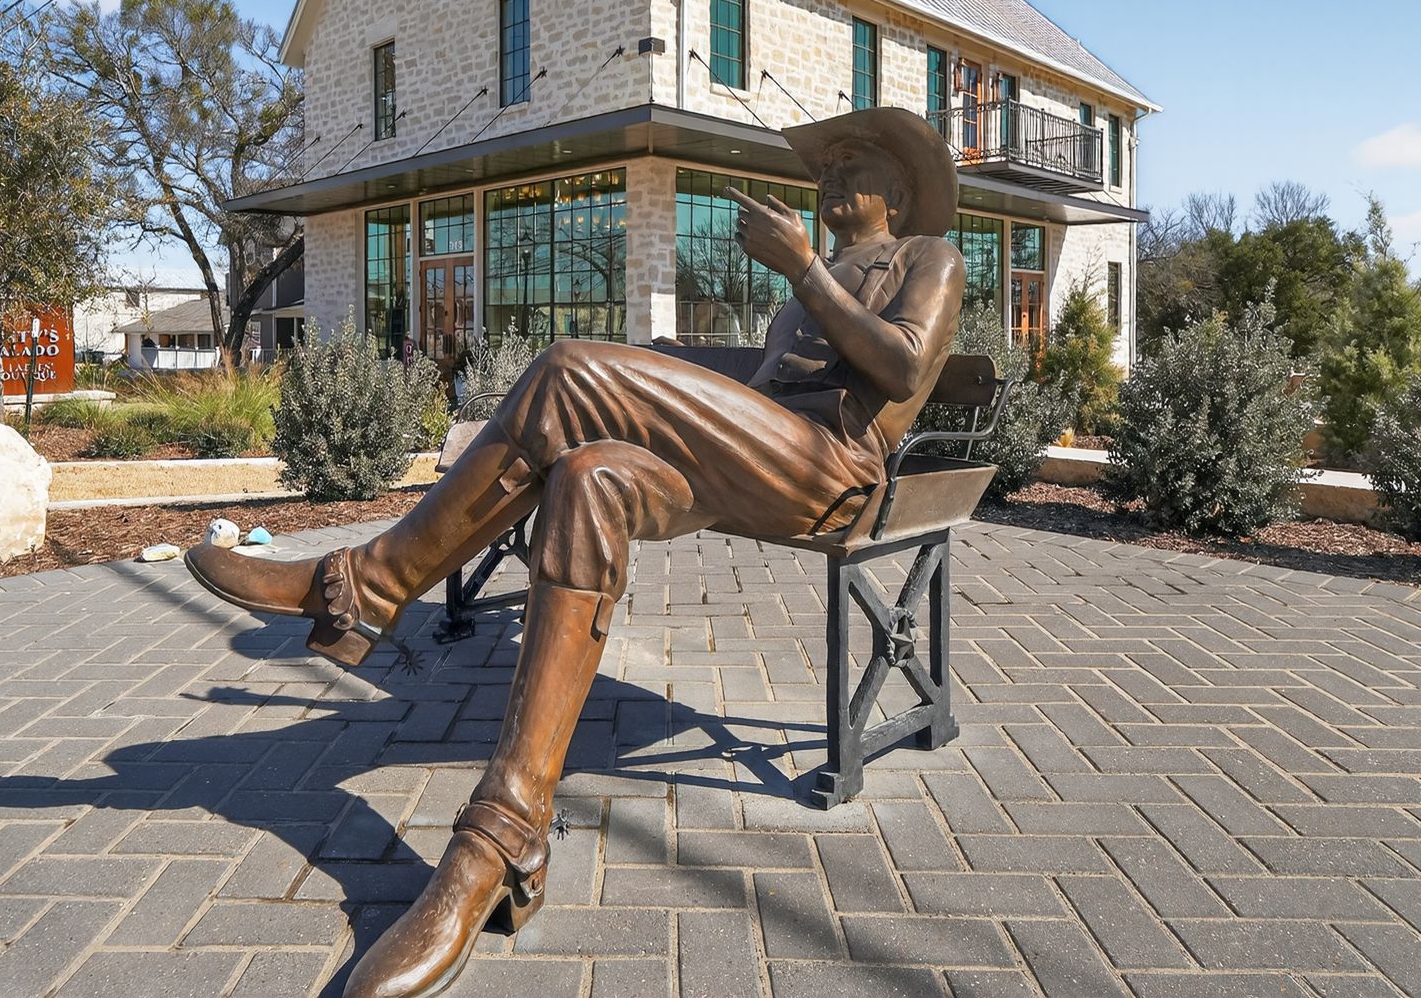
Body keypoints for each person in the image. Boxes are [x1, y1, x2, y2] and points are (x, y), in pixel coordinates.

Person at [185, 106, 965, 998]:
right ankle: (505, 832)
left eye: (848, 164)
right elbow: (759, 390)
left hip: (831, 472)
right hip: (757, 457)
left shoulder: (927, 259)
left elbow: (903, 369)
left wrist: (803, 269)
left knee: (568, 369)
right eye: (823, 166)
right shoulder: (815, 279)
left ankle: (364, 586)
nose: (827, 177)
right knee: (589, 476)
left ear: (895, 190)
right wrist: (681, 383)